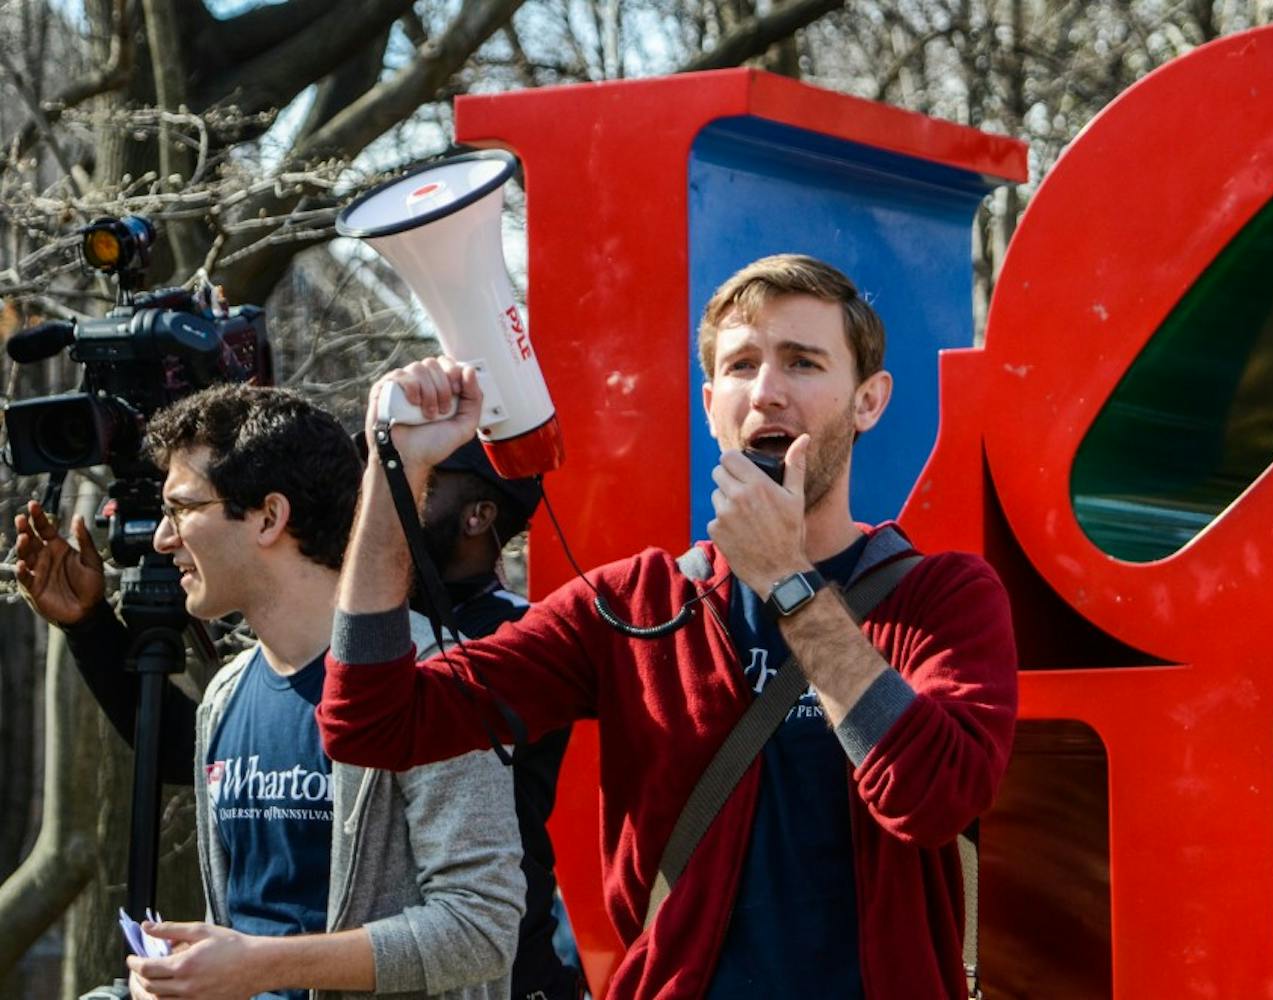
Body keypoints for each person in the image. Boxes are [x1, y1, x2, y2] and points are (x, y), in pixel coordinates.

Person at [319, 254, 1020, 999]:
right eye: (743, 366)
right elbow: (372, 723)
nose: (768, 392)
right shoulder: (634, 603)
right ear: (712, 403)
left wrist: (789, 583)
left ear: (868, 401)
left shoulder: (944, 597)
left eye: (803, 363)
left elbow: (935, 799)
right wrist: (393, 474)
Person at [13, 385, 524, 1000]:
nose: (161, 540)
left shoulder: (434, 680)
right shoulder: (224, 695)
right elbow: (242, 941)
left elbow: (480, 929)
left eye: (182, 509)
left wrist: (260, 964)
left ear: (268, 516)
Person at [402, 438, 584, 1000]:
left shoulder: (523, 635)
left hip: (506, 970)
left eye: (423, 484)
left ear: (477, 517)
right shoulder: (372, 624)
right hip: (396, 955)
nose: (395, 497)